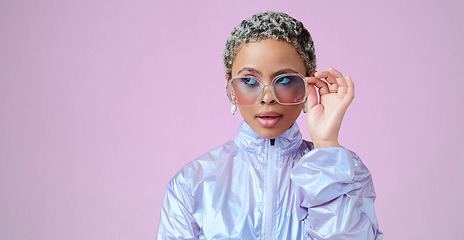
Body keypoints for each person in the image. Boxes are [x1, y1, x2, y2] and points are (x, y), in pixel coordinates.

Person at [157, 11, 383, 239]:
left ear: (308, 83)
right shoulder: (192, 182)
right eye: (249, 81)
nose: (267, 97)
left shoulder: (345, 172)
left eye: (284, 80)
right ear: (231, 87)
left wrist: (326, 146)